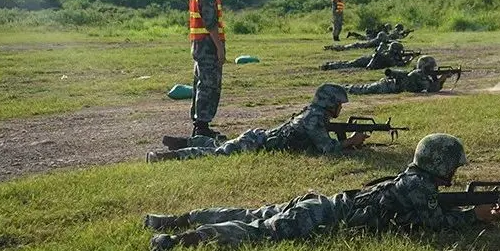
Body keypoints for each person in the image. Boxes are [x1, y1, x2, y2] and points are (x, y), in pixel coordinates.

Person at [145, 133, 500, 251]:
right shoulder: (418, 186)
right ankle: (179, 240)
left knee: (253, 214)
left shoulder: (413, 179)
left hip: (325, 204)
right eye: (452, 166)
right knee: (257, 230)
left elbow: (424, 214)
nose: (454, 172)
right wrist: (476, 217)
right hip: (322, 215)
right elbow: (436, 223)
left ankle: (179, 218)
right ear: (438, 164)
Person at [147, 84, 367, 162]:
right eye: (339, 103)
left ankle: (183, 142)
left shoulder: (316, 114)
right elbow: (328, 150)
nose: (340, 108)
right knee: (219, 153)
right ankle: (166, 157)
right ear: (330, 103)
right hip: (258, 143)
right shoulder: (314, 119)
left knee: (220, 146)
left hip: (260, 137)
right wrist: (351, 141)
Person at [189, 0, 226, 139]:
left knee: (201, 84)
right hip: (208, 45)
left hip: (199, 44)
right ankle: (202, 127)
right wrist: (219, 47)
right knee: (209, 85)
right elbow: (210, 23)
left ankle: (200, 125)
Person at [346, 55, 447, 95]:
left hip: (391, 87)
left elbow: (434, 88)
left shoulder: (422, 75)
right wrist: (441, 79)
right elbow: (431, 89)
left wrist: (442, 79)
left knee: (362, 89)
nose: (432, 69)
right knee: (361, 90)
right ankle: (343, 88)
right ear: (424, 67)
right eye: (430, 67)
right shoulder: (418, 74)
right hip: (387, 86)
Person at [320, 41, 409, 71]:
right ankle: (329, 66)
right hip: (365, 60)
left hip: (368, 59)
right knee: (348, 64)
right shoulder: (388, 56)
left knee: (348, 63)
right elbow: (398, 64)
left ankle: (329, 65)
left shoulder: (389, 55)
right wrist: (409, 59)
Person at [325, 30, 390, 51]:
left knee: (345, 47)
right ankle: (332, 47)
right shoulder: (377, 41)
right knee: (345, 48)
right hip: (360, 45)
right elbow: (368, 44)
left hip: (360, 44)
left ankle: (332, 47)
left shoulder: (377, 40)